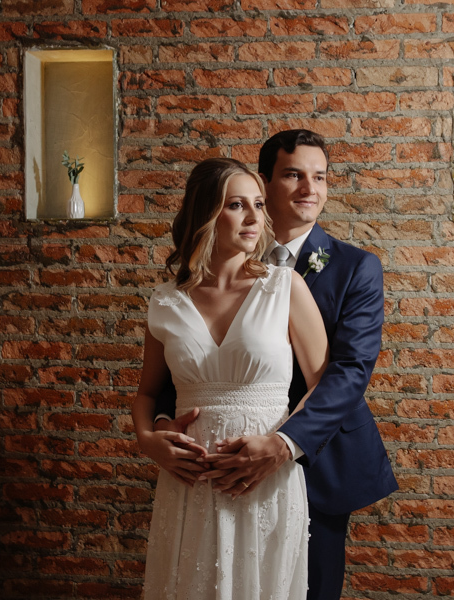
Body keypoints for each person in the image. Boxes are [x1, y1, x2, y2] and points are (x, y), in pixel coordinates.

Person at [157, 130, 399, 599]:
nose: (311, 189)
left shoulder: (355, 267)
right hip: (218, 460)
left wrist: (285, 444)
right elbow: (186, 361)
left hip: (317, 458)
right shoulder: (211, 269)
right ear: (262, 182)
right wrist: (161, 429)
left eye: (320, 177)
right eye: (294, 175)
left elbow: (349, 372)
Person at [132, 157, 329, 600]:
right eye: (237, 205)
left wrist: (282, 445)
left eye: (258, 204)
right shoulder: (165, 302)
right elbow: (147, 393)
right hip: (190, 483)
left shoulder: (285, 287)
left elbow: (323, 384)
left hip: (265, 478)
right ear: (207, 213)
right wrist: (148, 439)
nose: (255, 217)